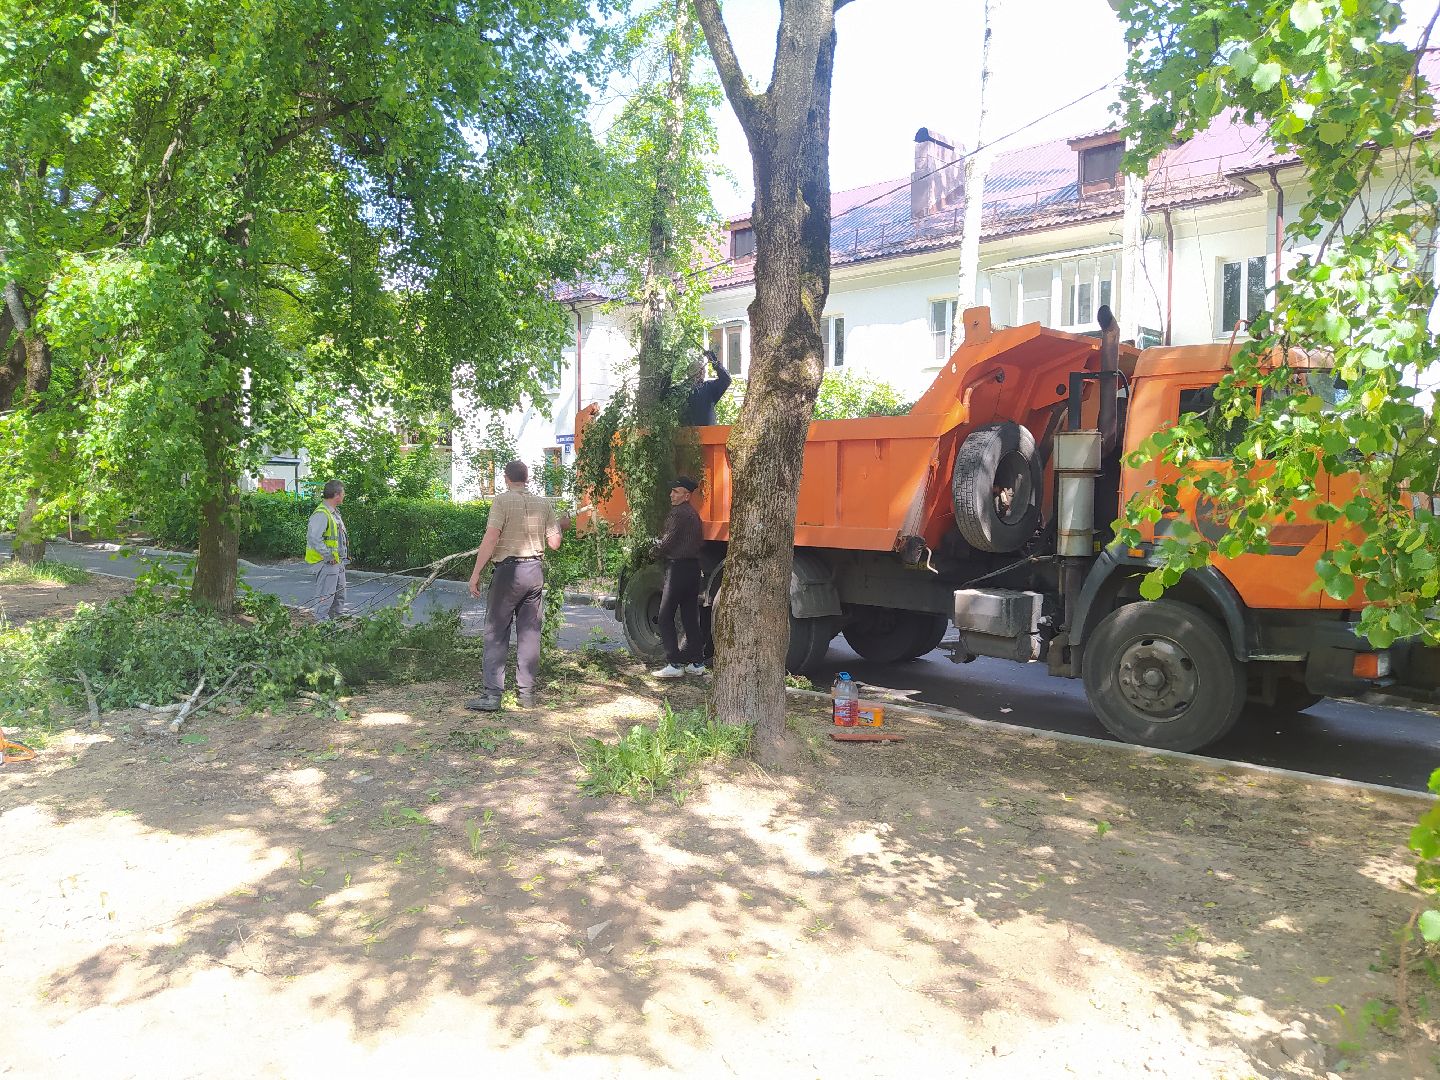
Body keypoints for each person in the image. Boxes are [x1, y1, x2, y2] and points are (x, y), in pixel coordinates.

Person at [466, 460, 565, 711]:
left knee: (496, 631)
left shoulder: (501, 501)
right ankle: (527, 695)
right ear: (527, 477)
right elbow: (554, 543)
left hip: (508, 572)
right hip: (534, 572)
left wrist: (476, 572)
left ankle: (492, 696)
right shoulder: (544, 504)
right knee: (530, 633)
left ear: (506, 478)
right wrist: (561, 526)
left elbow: (491, 537)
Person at [651, 475, 707, 679]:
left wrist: (651, 550)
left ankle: (674, 663)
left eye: (675, 492)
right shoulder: (693, 514)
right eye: (672, 492)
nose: (671, 495)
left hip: (677, 569)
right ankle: (697, 662)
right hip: (693, 569)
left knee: (665, 615)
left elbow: (667, 542)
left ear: (686, 495)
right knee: (690, 616)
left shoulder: (677, 514)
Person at [305, 480, 350, 621]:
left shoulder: (334, 513)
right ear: (336, 494)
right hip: (326, 563)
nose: (344, 496)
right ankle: (323, 629)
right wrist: (328, 555)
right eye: (343, 493)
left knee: (339, 597)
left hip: (337, 563)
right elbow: (314, 538)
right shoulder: (322, 514)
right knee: (325, 598)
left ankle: (334, 627)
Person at [680, 349, 732, 426]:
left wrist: (715, 362)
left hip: (708, 433)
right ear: (700, 372)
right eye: (703, 370)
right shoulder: (681, 390)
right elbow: (664, 395)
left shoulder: (709, 387)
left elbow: (726, 380)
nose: (704, 372)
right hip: (687, 434)